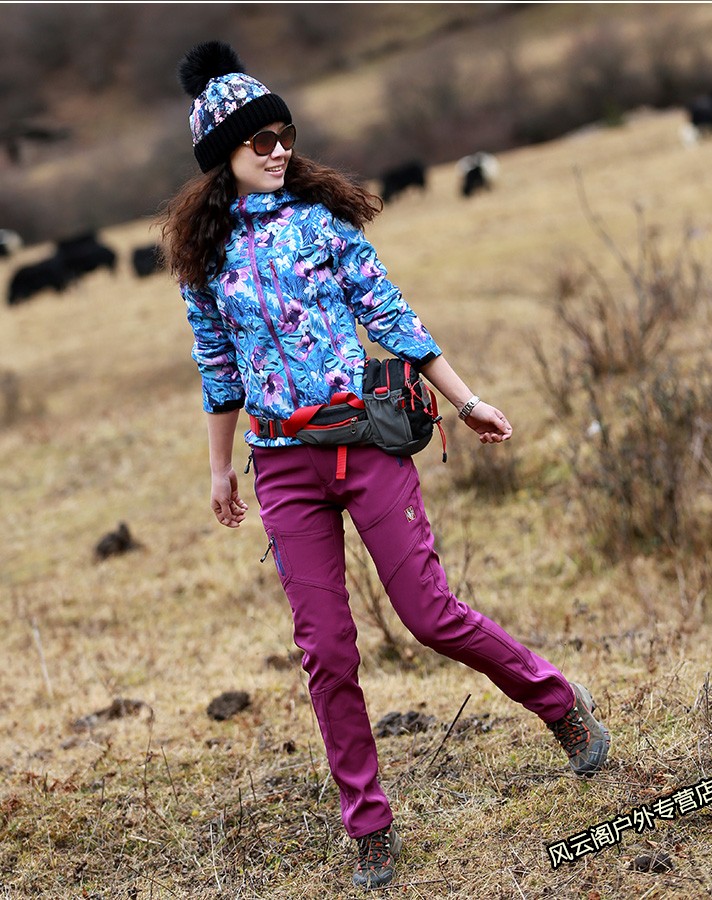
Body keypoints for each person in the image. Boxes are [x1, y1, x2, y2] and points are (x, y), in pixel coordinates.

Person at [161, 41, 611, 891]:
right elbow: (216, 367)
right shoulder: (205, 257)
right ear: (223, 154)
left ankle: (561, 704)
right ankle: (367, 823)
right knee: (327, 651)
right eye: (261, 140)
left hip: (366, 442)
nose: (279, 150)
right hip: (282, 466)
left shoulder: (322, 225)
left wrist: (467, 400)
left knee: (429, 615)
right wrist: (220, 471)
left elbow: (392, 317)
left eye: (286, 135)